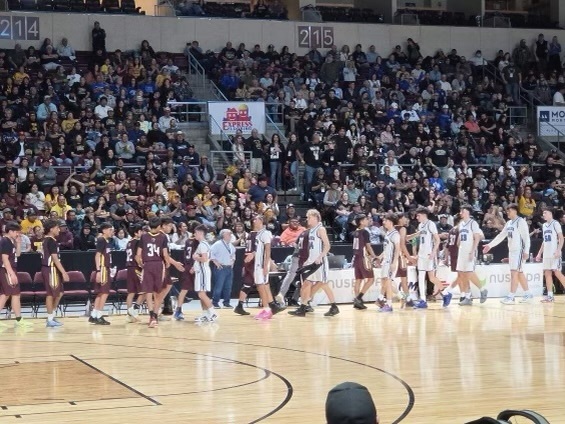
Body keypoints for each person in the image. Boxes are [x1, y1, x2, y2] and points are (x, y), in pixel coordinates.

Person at [289, 209, 339, 317]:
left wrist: (320, 256)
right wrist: (308, 260)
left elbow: (327, 245)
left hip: (320, 262)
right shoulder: (310, 230)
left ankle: (333, 306)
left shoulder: (320, 229)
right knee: (307, 283)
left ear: (316, 217)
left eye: (309, 217)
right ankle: (303, 308)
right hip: (311, 262)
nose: (307, 219)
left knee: (324, 284)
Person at [136, 217, 183, 328]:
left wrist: (142, 264)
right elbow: (165, 255)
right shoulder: (162, 237)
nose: (171, 228)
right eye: (170, 226)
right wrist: (170, 263)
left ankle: (152, 314)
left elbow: (138, 255)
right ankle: (155, 314)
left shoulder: (143, 236)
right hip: (158, 265)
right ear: (160, 226)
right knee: (160, 291)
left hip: (147, 264)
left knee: (148, 291)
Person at [483, 203, 532, 304]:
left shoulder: (521, 222)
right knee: (519, 273)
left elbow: (526, 238)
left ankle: (511, 296)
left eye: (509, 211)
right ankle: (528, 294)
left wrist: (526, 251)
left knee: (514, 272)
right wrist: (490, 245)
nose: (507, 213)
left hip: (519, 251)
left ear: (515, 210)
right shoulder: (509, 223)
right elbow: (501, 236)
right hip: (512, 251)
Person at [453, 205, 488, 306]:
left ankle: (482, 290)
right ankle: (468, 296)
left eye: (462, 211)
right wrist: (459, 244)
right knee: (461, 274)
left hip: (470, 250)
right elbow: (459, 238)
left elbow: (477, 238)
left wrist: (473, 251)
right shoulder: (461, 224)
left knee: (468, 273)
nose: (460, 213)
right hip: (462, 251)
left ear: (467, 212)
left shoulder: (473, 223)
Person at [251, 215, 285, 320]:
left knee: (263, 286)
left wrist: (266, 266)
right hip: (258, 263)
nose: (254, 220)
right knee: (261, 286)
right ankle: (267, 308)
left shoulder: (265, 233)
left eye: (256, 219)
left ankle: (267, 309)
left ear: (261, 221)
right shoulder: (258, 234)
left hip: (262, 264)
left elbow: (268, 250)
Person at [0, 222, 31, 328]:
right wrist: (12, 274)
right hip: (6, 270)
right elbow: (4, 259)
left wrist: (18, 243)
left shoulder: (10, 241)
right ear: (10, 231)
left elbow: (17, 254)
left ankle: (18, 319)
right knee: (5, 295)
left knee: (15, 294)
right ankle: (18, 319)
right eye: (17, 232)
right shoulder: (5, 241)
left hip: (10, 269)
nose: (18, 234)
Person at [414, 207, 445, 309]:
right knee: (421, 277)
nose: (416, 217)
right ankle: (423, 300)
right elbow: (418, 237)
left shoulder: (430, 224)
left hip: (429, 254)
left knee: (431, 278)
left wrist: (433, 252)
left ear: (423, 215)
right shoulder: (420, 225)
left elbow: (437, 240)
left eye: (418, 215)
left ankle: (446, 293)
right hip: (421, 254)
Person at [41, 219, 69, 328]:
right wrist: (64, 272)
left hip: (52, 269)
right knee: (50, 294)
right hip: (50, 268)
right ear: (51, 229)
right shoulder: (50, 240)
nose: (59, 229)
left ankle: (51, 316)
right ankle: (49, 319)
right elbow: (55, 259)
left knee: (59, 293)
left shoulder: (49, 240)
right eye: (57, 227)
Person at [535, 208, 565, 303]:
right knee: (547, 273)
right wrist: (539, 253)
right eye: (543, 213)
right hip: (547, 254)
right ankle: (550, 296)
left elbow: (561, 238)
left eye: (545, 213)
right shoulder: (544, 225)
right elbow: (544, 241)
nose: (543, 214)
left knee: (557, 273)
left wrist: (558, 250)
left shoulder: (555, 223)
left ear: (550, 214)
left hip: (554, 253)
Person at [275, 226, 309, 306]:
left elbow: (295, 244)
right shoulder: (312, 233)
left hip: (295, 255)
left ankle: (281, 294)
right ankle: (307, 302)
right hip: (305, 257)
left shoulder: (302, 233)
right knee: (308, 280)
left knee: (290, 275)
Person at [375, 213, 400, 313]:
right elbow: (386, 249)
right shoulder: (388, 233)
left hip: (390, 262)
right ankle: (381, 299)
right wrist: (379, 257)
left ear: (390, 222)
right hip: (386, 261)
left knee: (388, 283)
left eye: (385, 220)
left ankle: (389, 305)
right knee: (384, 281)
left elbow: (397, 250)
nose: (383, 222)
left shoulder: (395, 234)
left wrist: (394, 263)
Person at [174, 222, 199, 321]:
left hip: (186, 265)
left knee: (184, 290)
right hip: (193, 266)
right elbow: (196, 255)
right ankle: (207, 312)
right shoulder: (197, 241)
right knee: (201, 290)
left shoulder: (188, 240)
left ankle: (178, 310)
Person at [90, 222, 114, 325]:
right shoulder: (101, 240)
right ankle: (99, 315)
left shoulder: (105, 240)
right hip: (103, 268)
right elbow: (97, 256)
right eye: (110, 230)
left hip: (105, 268)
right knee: (104, 292)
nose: (111, 232)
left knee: (100, 293)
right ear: (104, 230)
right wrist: (99, 270)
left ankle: (94, 315)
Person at [351, 214, 377, 310]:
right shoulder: (365, 232)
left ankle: (358, 302)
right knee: (371, 279)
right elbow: (368, 246)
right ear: (361, 222)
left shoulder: (355, 232)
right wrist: (374, 257)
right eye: (366, 219)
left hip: (356, 258)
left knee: (358, 280)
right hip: (363, 257)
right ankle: (358, 298)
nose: (368, 220)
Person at [192, 224, 217, 323]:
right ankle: (205, 314)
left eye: (195, 232)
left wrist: (195, 257)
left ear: (200, 233)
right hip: (200, 271)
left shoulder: (203, 245)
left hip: (203, 271)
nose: (194, 234)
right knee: (201, 293)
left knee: (202, 294)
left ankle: (213, 313)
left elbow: (205, 259)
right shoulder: (203, 244)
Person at [233, 228, 257, 316]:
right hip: (253, 260)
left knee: (247, 285)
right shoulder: (257, 235)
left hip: (247, 259)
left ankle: (239, 306)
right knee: (261, 284)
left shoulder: (249, 235)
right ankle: (270, 305)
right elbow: (260, 249)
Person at [210, 228, 236, 309]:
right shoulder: (217, 244)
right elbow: (210, 253)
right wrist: (215, 262)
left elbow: (233, 254)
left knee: (228, 286)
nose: (230, 235)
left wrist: (233, 262)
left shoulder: (231, 245)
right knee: (219, 286)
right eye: (228, 234)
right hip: (221, 268)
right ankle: (215, 302)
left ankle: (226, 302)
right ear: (223, 235)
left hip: (229, 268)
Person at [124, 224, 145, 322]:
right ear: (136, 233)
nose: (143, 233)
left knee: (131, 292)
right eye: (141, 231)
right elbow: (137, 256)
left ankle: (129, 314)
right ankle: (134, 310)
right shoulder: (138, 241)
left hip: (129, 268)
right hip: (136, 267)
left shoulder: (129, 242)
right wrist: (142, 266)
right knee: (144, 291)